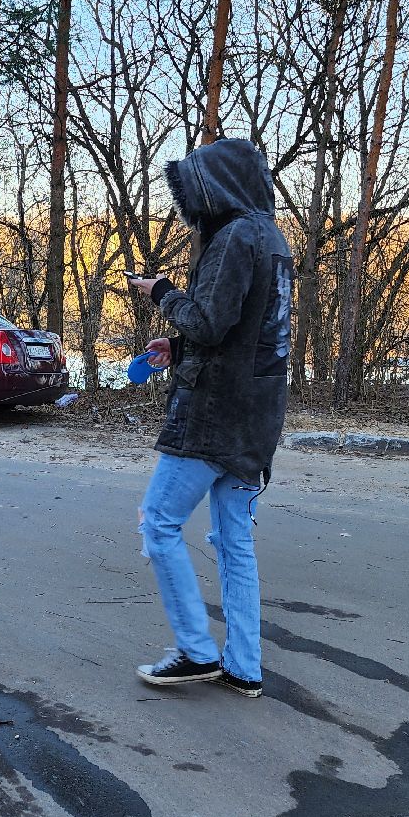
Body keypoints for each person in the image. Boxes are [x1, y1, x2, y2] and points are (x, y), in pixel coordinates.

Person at [127, 138, 293, 699]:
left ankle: (196, 652)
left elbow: (207, 322)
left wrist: (163, 293)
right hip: (257, 414)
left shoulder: (233, 237)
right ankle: (243, 666)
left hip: (213, 416)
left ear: (213, 189)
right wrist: (178, 346)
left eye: (191, 193)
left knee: (159, 520)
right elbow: (242, 331)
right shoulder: (272, 238)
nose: (188, 206)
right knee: (233, 542)